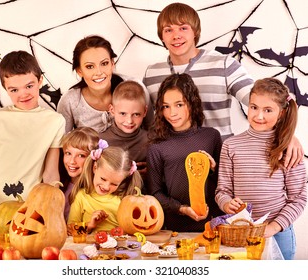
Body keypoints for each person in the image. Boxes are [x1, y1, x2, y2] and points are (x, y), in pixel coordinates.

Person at [143, 2, 303, 169]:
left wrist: (288, 135)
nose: (176, 35)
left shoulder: (224, 64)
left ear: (195, 32)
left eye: (183, 28)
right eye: (168, 30)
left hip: (221, 162)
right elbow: (147, 124)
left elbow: (263, 103)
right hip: (172, 165)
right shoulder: (152, 73)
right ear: (161, 36)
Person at [0, 50, 65, 249]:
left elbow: (50, 173)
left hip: (31, 217)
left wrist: (51, 210)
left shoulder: (55, 121)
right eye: (14, 90)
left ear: (40, 81)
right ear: (5, 89)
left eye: (29, 86)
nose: (23, 94)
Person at [215, 78, 307, 260]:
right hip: (241, 232)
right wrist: (226, 203)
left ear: (281, 113)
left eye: (268, 110)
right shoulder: (231, 146)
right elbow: (222, 190)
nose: (259, 116)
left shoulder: (289, 148)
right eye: (254, 107)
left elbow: (299, 198)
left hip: (278, 233)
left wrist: (273, 227)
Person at [146, 73, 224, 232]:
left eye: (179, 105)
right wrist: (181, 208)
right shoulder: (157, 146)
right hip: (175, 229)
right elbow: (155, 192)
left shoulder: (211, 136)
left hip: (213, 226)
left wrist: (214, 169)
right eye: (166, 106)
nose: (172, 113)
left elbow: (226, 184)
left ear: (192, 103)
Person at [57, 35, 154, 133]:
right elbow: (63, 142)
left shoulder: (136, 88)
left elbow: (152, 129)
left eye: (104, 64)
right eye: (90, 66)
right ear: (79, 71)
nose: (99, 72)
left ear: (112, 64)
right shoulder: (70, 101)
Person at [67, 140, 142, 233]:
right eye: (103, 179)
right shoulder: (81, 197)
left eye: (114, 184)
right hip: (87, 246)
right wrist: (90, 225)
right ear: (95, 167)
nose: (106, 187)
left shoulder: (124, 200)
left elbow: (133, 230)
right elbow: (70, 231)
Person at [99, 80, 149, 179]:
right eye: (123, 114)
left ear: (145, 111)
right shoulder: (101, 141)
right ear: (112, 110)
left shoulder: (151, 140)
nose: (129, 121)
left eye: (136, 114)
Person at [59, 127, 99, 221]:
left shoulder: (96, 190)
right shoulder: (60, 185)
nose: (72, 161)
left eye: (81, 155)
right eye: (68, 153)